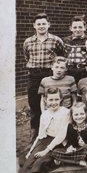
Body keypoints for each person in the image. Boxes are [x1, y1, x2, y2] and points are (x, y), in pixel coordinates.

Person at [23, 13, 64, 142]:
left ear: (48, 25)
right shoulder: (28, 41)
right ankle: (35, 133)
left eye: (43, 24)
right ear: (34, 26)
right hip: (34, 75)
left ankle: (52, 131)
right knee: (34, 105)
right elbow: (26, 57)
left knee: (51, 102)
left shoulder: (56, 40)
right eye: (38, 24)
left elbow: (61, 56)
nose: (41, 26)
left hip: (49, 74)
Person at [18, 88, 70, 173]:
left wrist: (45, 151)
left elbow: (61, 135)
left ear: (61, 99)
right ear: (46, 100)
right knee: (27, 162)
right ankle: (33, 156)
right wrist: (31, 151)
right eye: (51, 100)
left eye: (56, 99)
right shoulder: (44, 114)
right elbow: (40, 136)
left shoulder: (66, 112)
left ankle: (56, 160)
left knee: (39, 163)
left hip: (60, 142)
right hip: (46, 140)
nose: (54, 102)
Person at [51, 102, 87, 168]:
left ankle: (65, 161)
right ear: (72, 116)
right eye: (76, 114)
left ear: (86, 114)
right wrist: (69, 148)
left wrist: (84, 145)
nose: (79, 117)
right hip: (76, 151)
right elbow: (70, 142)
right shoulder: (70, 127)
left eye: (82, 114)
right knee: (55, 152)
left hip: (86, 150)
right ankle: (80, 163)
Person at [63, 15, 87, 84]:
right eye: (75, 27)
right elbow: (64, 55)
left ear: (85, 27)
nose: (77, 30)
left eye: (80, 27)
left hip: (84, 71)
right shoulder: (66, 41)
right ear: (70, 28)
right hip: (70, 71)